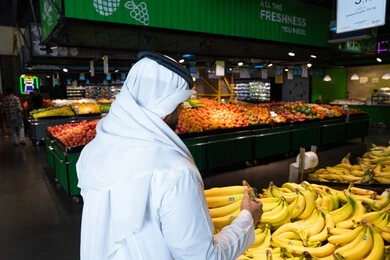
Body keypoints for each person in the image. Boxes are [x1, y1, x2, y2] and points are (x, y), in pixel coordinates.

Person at [76, 51, 263, 260]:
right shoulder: (176, 171)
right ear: (166, 107)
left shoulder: (90, 152)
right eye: (179, 104)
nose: (181, 110)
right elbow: (204, 257)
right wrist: (247, 220)